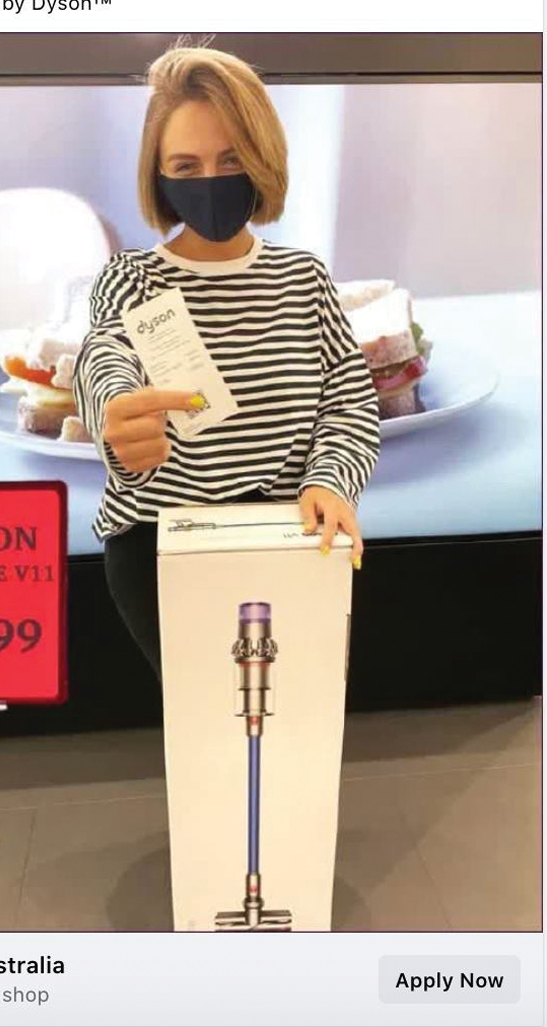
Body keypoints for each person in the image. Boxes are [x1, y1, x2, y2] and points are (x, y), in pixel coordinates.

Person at [74, 46, 380, 683]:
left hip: (292, 540)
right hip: (164, 545)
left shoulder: (303, 279)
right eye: (186, 166)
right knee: (209, 717)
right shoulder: (132, 280)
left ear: (263, 157)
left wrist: (331, 481)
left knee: (301, 709)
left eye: (232, 159)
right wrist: (115, 415)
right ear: (158, 175)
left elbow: (349, 401)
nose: (210, 181)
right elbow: (107, 355)